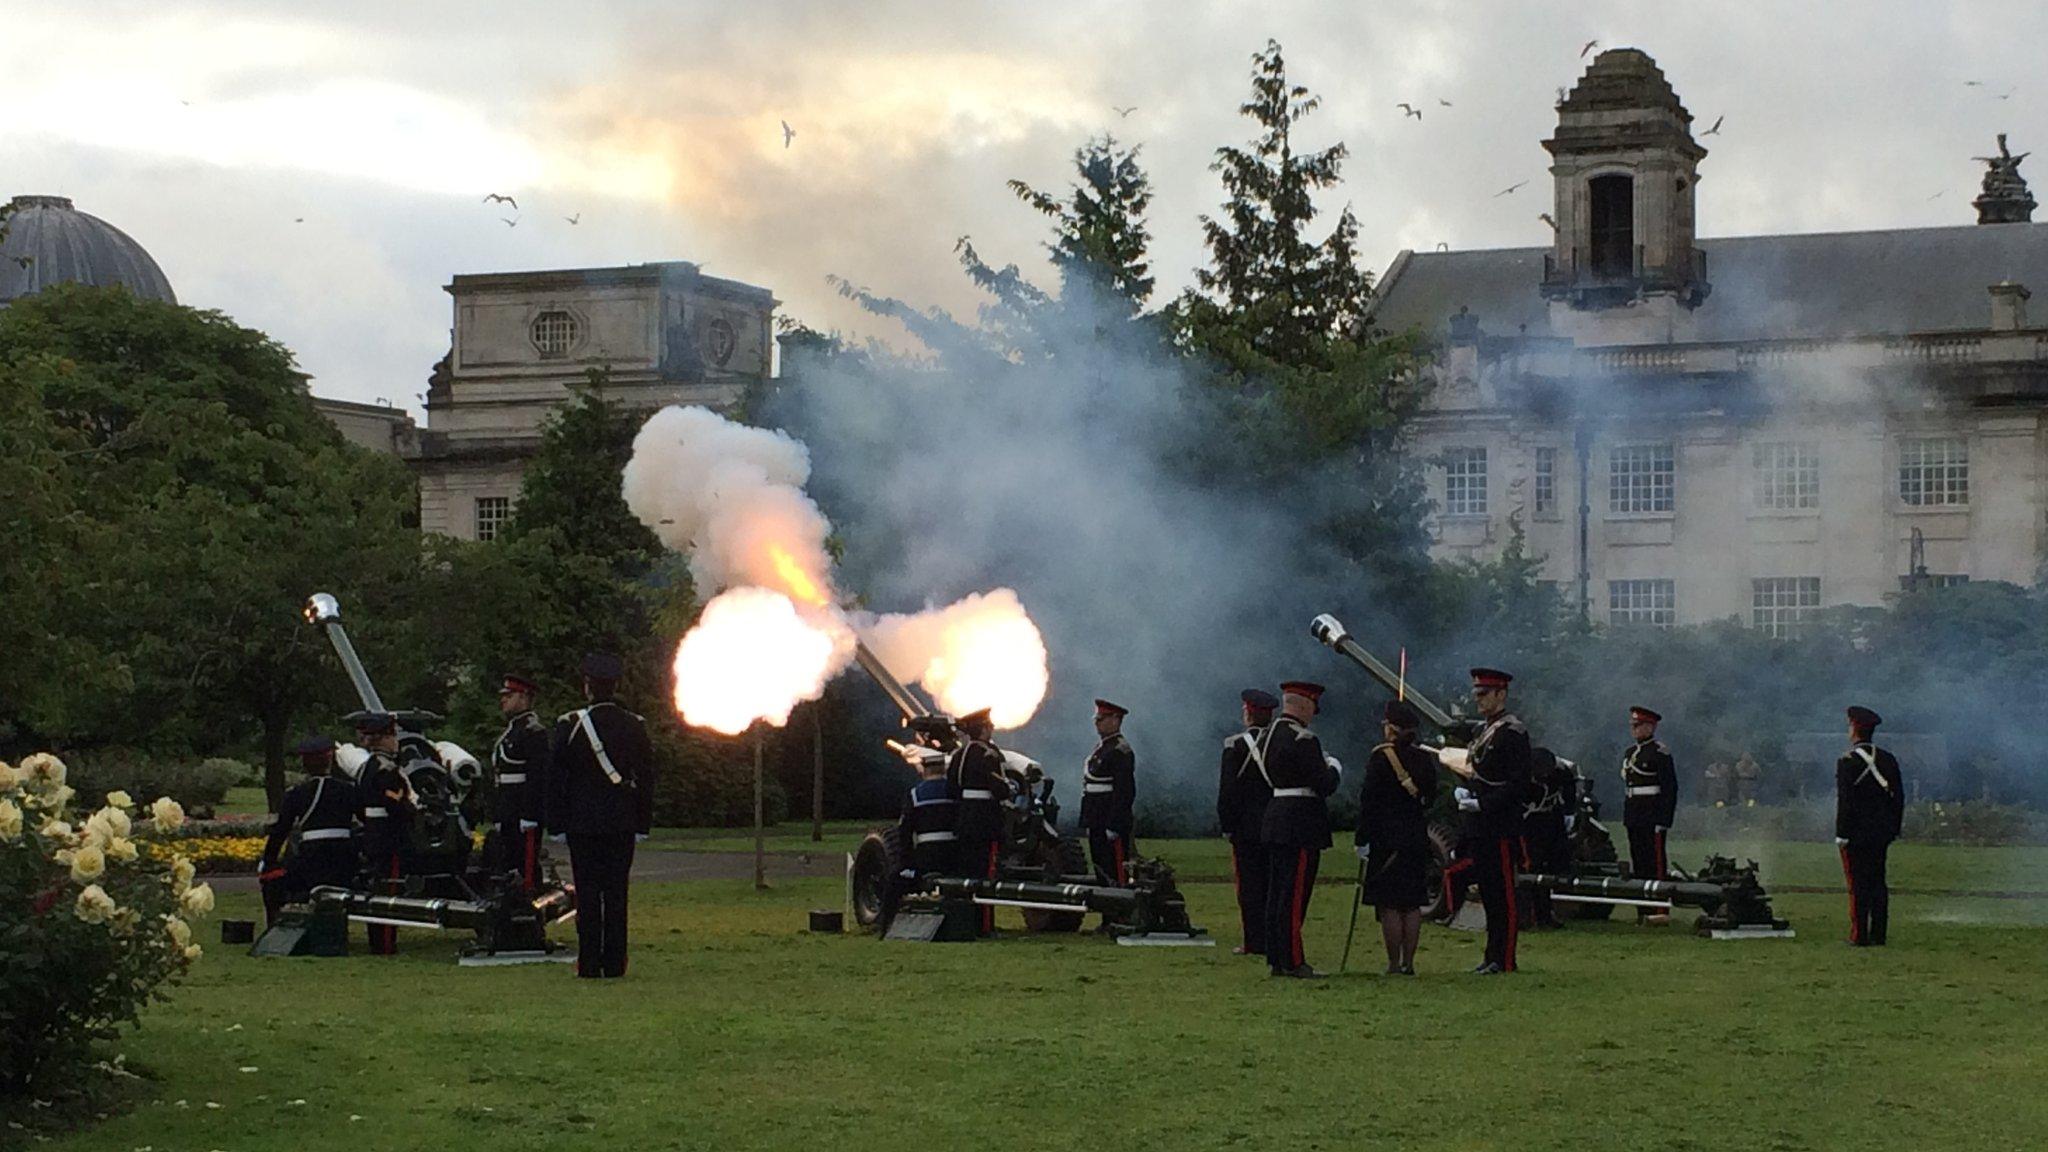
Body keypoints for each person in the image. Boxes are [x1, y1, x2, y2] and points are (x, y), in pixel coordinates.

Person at [546, 652, 656, 979]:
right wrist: (642, 822)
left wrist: (557, 823)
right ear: (617, 685)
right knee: (617, 894)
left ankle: (589, 963)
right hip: (622, 823)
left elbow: (556, 779)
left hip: (582, 824)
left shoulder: (570, 725)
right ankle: (615, 962)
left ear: (587, 687)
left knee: (588, 893)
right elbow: (646, 777)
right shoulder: (634, 726)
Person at [1446, 667, 1533, 974]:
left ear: (1501, 694)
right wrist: (1467, 794)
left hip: (1500, 824)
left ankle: (1504, 958)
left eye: (1485, 694)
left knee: (1503, 895)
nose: (1479, 700)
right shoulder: (1486, 730)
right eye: (1477, 694)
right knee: (1488, 892)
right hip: (1481, 824)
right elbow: (1480, 772)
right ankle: (1490, 955)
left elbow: (1518, 783)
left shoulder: (1513, 732)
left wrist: (1482, 803)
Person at [1258, 681, 1341, 979]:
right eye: (1312, 707)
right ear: (1304, 704)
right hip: (1301, 821)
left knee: (1277, 893)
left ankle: (1277, 957)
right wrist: (1334, 768)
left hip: (1277, 815)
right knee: (1294, 896)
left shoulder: (1266, 736)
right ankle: (1294, 960)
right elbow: (1323, 784)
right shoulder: (1304, 739)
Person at [1355, 699, 1439, 975]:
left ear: (1391, 729)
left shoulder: (1381, 757)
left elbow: (1369, 800)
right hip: (1416, 836)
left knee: (1390, 904)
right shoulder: (1425, 758)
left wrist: (1362, 838)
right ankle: (1409, 964)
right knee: (1412, 903)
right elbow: (1430, 796)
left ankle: (1393, 964)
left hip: (1386, 839)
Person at [258, 735, 357, 927]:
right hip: (344, 860)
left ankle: (277, 926)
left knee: (276, 882)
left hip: (311, 860)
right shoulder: (348, 790)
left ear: (304, 763)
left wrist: (269, 861)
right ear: (330, 759)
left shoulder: (297, 793)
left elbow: (281, 830)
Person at [1216, 688, 1278, 957]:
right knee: (1273, 884)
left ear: (1248, 714)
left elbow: (1228, 790)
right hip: (1275, 823)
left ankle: (1254, 941)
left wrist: (1227, 824)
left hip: (1245, 827)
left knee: (1249, 887)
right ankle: (1275, 938)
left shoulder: (1235, 745)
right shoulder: (1279, 743)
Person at [1837, 705, 1904, 947]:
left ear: (1854, 729)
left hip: (1856, 834)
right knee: (1878, 883)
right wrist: (1893, 828)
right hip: (1882, 832)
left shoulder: (1847, 761)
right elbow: (1898, 798)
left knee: (1858, 885)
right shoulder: (1888, 759)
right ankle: (1879, 934)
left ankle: (1859, 935)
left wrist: (1841, 834)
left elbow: (1846, 802)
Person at [878, 736, 959, 932]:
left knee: (895, 883)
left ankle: (885, 926)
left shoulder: (915, 795)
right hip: (954, 858)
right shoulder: (956, 792)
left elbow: (905, 832)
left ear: (925, 769)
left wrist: (907, 862)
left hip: (926, 858)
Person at [945, 707, 1012, 935]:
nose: (991, 729)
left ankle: (967, 922)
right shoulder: (988, 754)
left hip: (965, 817)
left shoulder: (959, 755)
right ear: (983, 729)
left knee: (968, 870)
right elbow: (1000, 789)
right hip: (986, 819)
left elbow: (951, 788)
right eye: (989, 726)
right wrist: (1009, 790)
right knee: (986, 872)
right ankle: (985, 925)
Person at [351, 712, 412, 956]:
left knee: (376, 887)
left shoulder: (367, 767)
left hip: (372, 834)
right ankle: (385, 943)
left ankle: (379, 940)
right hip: (388, 836)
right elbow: (396, 805)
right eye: (393, 735)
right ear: (385, 738)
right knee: (388, 889)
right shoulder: (386, 769)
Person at [491, 673, 551, 892]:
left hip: (522, 811)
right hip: (508, 810)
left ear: (524, 697)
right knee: (507, 863)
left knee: (525, 868)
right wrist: (498, 815)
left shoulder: (533, 732)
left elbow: (537, 778)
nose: (503, 699)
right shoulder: (513, 731)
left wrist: (530, 814)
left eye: (510, 695)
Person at [1621, 705, 1678, 925]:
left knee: (1655, 864)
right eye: (1632, 726)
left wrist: (1663, 820)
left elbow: (1669, 789)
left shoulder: (1659, 752)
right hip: (1634, 814)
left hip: (1652, 816)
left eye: (1638, 726)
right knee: (1639, 864)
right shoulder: (1630, 753)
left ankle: (1659, 909)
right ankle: (1642, 909)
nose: (1634, 730)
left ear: (1649, 726)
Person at [1079, 699, 1137, 886]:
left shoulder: (1120, 750)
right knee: (1101, 872)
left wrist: (1114, 824)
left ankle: (1117, 916)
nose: (1097, 723)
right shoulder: (1102, 748)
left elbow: (1124, 792)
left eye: (1102, 719)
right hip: (1096, 819)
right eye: (1097, 718)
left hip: (1109, 819)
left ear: (1115, 720)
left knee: (1115, 875)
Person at [1523, 747, 1575, 930]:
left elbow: (1569, 786)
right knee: (1533, 867)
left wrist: (1570, 811)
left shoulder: (1560, 770)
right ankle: (1533, 914)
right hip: (1530, 820)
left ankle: (1547, 913)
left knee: (1556, 864)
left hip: (1552, 817)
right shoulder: (1522, 771)